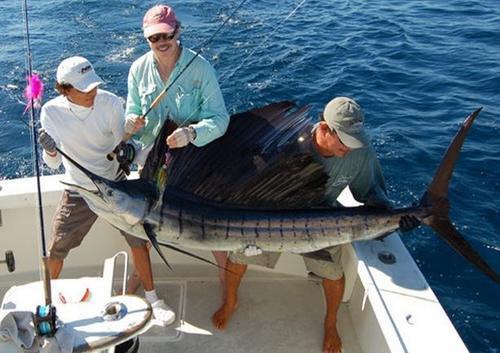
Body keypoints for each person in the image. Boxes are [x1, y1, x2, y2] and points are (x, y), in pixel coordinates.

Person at [212, 97, 418, 353]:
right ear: (323, 128)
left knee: (334, 272)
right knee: (238, 255)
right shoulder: (285, 145)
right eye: (343, 141)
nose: (350, 148)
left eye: (354, 141)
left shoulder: (359, 151)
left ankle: (331, 324)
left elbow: (372, 194)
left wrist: (396, 220)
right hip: (267, 221)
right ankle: (230, 301)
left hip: (323, 225)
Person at [38, 56, 175, 326]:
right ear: (64, 89)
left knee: (139, 242)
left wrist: (129, 148)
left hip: (116, 183)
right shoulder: (51, 112)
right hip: (80, 190)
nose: (92, 92)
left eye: (93, 86)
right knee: (55, 249)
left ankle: (153, 298)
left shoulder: (110, 102)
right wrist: (49, 149)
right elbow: (53, 163)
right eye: (83, 88)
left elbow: (124, 146)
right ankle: (46, 304)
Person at [124, 4, 230, 294]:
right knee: (142, 222)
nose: (161, 43)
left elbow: (220, 120)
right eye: (153, 38)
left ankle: (225, 276)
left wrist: (192, 132)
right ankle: (139, 274)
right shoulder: (138, 69)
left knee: (209, 222)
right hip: (154, 158)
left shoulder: (201, 68)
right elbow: (132, 113)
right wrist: (131, 122)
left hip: (192, 155)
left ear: (177, 30)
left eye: (166, 35)